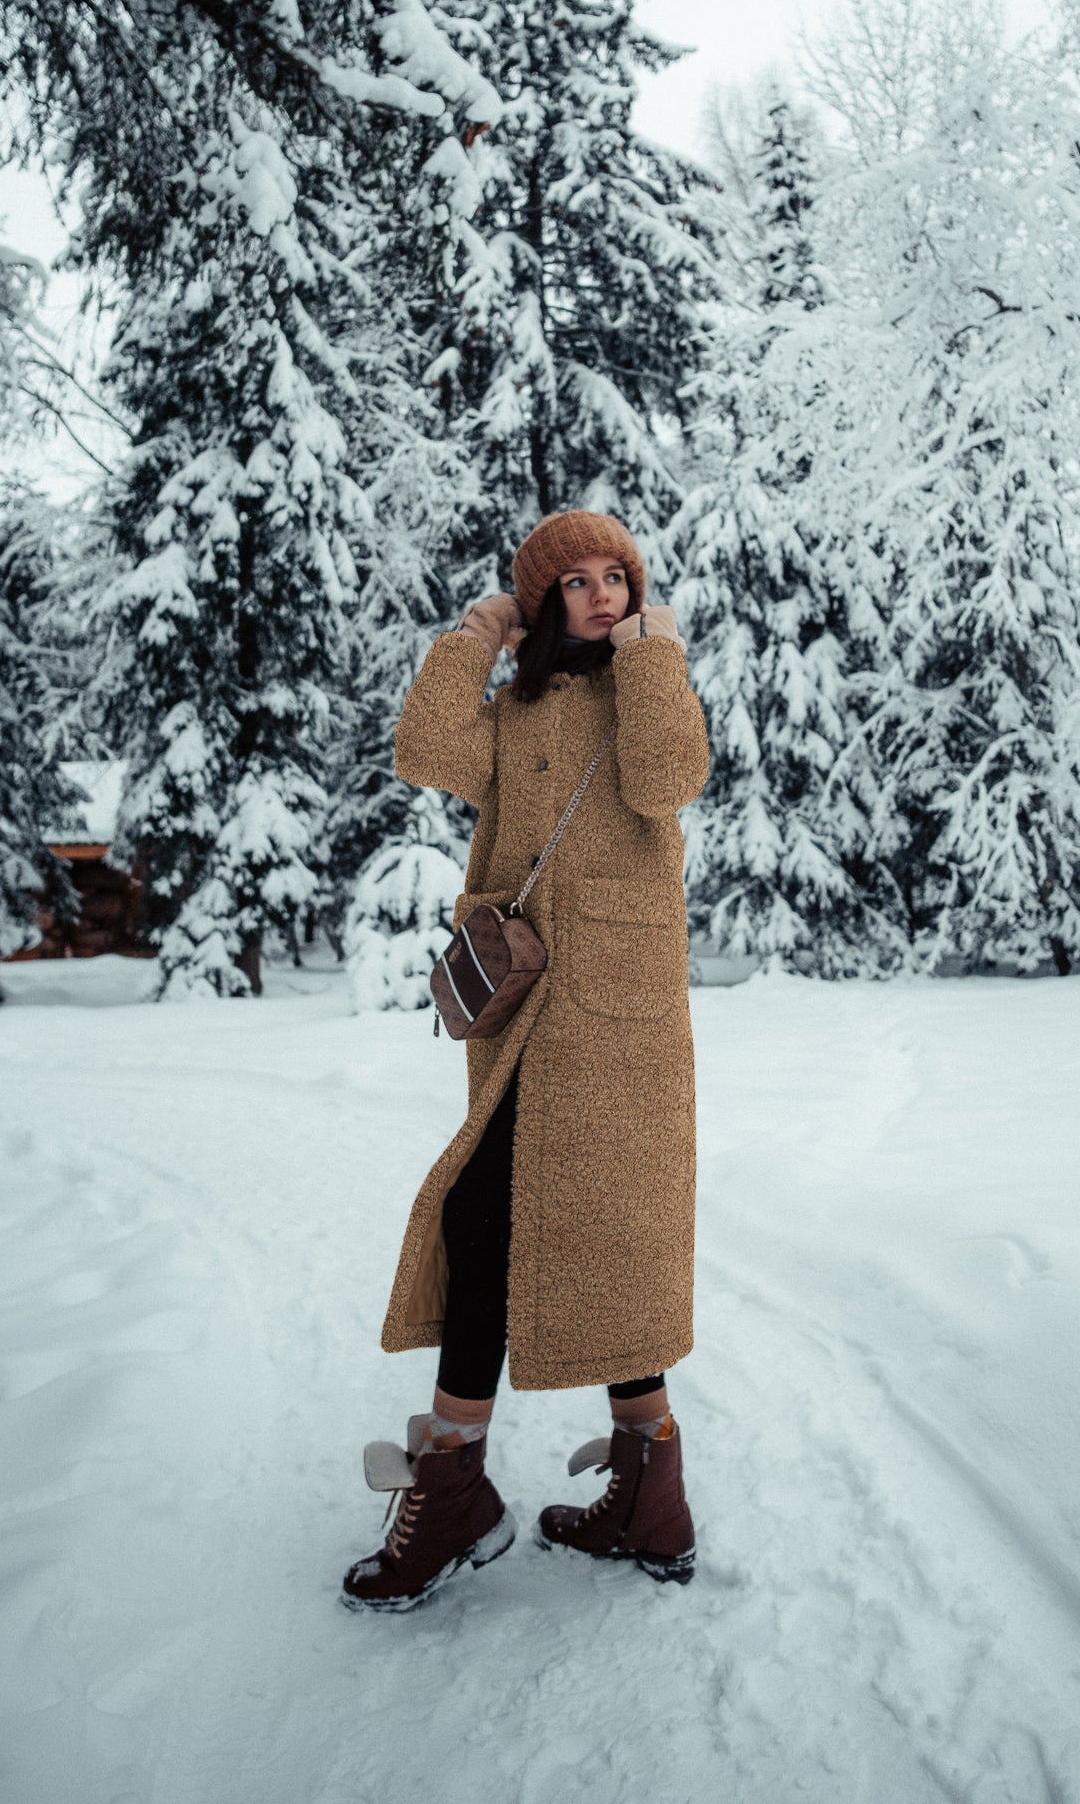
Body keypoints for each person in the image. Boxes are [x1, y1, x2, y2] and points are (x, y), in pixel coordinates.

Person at [342, 509, 709, 1613]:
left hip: (618, 1020)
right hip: (520, 1004)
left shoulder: (653, 683)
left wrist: (651, 651)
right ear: (542, 603)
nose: (600, 593)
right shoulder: (512, 710)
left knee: (594, 1229)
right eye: (574, 583)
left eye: (617, 576)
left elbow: (664, 781)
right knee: (516, 1221)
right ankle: (645, 1493)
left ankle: (464, 1485)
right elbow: (421, 750)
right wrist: (478, 629)